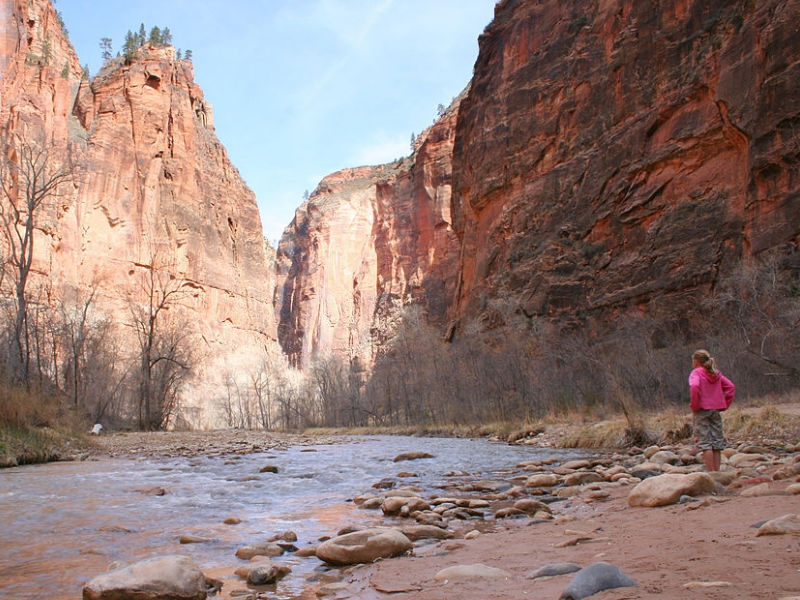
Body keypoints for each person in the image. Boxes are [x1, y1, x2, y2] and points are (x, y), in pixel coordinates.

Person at [689, 349, 735, 472]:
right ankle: (717, 472)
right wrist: (724, 404)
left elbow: (694, 387)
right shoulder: (715, 373)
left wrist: (695, 405)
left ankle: (711, 473)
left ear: (696, 361)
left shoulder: (696, 373)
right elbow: (730, 387)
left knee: (705, 444)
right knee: (716, 443)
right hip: (715, 410)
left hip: (701, 410)